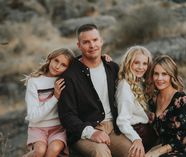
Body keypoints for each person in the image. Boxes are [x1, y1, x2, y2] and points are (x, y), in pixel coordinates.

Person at [57, 23, 132, 157]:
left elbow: (130, 88)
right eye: (86, 42)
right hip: (85, 131)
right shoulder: (70, 76)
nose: (92, 46)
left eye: (95, 40)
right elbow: (67, 115)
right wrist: (91, 133)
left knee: (133, 152)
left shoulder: (112, 68)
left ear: (101, 41)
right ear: (79, 45)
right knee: (100, 153)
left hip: (113, 129)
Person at [145, 55, 186, 157]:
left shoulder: (181, 100)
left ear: (171, 76)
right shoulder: (152, 100)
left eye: (164, 74)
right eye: (156, 74)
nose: (159, 78)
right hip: (164, 150)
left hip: (185, 150)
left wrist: (157, 152)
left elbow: (183, 136)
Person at [23, 48, 75, 157]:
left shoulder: (65, 81)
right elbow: (33, 117)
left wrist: (103, 58)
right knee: (40, 151)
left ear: (68, 68)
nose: (57, 66)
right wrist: (55, 97)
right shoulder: (34, 82)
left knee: (53, 150)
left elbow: (84, 67)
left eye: (63, 65)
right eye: (56, 61)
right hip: (38, 128)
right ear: (50, 58)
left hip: (58, 128)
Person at [116, 46, 158, 157]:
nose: (141, 67)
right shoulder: (124, 86)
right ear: (128, 63)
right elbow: (122, 121)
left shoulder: (140, 81)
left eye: (144, 64)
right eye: (136, 63)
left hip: (147, 130)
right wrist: (136, 139)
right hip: (138, 133)